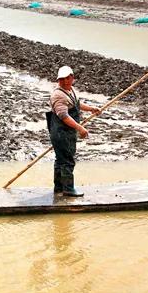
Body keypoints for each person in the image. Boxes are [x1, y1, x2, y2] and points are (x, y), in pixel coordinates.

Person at [47, 65, 101, 197]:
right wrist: (80, 128)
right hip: (61, 132)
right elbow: (64, 116)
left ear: (72, 78)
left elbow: (76, 104)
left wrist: (91, 109)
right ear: (58, 80)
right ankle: (68, 189)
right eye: (62, 79)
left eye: (67, 78)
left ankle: (59, 188)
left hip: (67, 132)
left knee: (61, 160)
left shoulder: (70, 90)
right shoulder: (58, 95)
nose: (65, 81)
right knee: (67, 161)